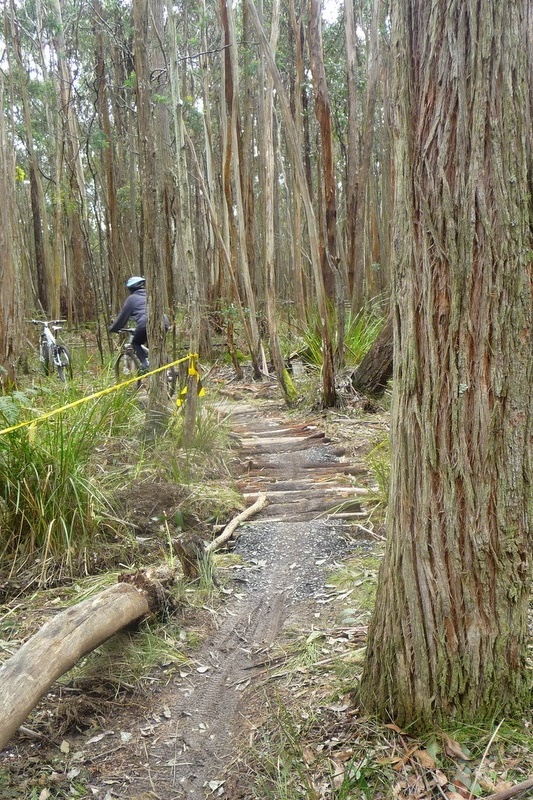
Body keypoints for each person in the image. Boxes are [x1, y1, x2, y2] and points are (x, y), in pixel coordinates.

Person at [109, 276, 150, 372]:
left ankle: (145, 364)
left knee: (135, 343)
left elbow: (122, 318)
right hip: (164, 322)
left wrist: (113, 328)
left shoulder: (131, 299)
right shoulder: (149, 294)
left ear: (131, 289)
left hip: (145, 324)